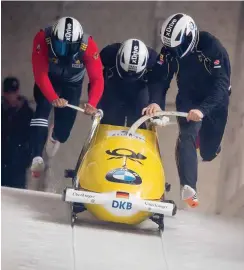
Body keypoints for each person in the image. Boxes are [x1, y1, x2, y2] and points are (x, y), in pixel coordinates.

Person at [143, 13, 231, 208]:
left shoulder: (212, 47)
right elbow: (160, 79)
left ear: (189, 36)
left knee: (208, 152)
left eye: (179, 47)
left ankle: (207, 147)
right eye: (172, 48)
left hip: (214, 101)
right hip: (188, 98)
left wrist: (203, 109)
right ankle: (189, 186)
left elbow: (221, 85)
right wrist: (156, 103)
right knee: (187, 135)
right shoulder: (168, 51)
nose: (176, 51)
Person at [30, 16, 104, 178]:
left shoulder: (89, 46)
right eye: (59, 45)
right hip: (48, 80)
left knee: (63, 133)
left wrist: (92, 103)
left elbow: (97, 78)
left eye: (67, 47)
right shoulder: (42, 38)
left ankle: (55, 135)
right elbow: (40, 73)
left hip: (72, 85)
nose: (62, 50)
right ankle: (37, 157)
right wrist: (53, 97)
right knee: (42, 109)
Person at [98, 38, 167, 128]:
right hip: (115, 86)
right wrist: (97, 103)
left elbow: (158, 84)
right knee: (109, 120)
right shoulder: (108, 54)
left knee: (140, 120)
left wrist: (156, 104)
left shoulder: (154, 61)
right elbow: (96, 78)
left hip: (139, 89)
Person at [2, 77, 34, 189]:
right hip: (2, 162)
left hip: (18, 165)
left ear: (17, 92)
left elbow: (33, 139)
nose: (11, 96)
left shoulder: (27, 113)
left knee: (16, 196)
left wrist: (27, 158)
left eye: (13, 92)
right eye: (8, 93)